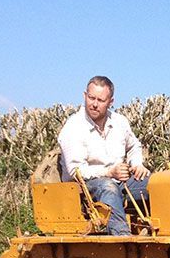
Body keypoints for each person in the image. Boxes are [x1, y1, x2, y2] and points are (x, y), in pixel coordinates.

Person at [58, 76, 150, 235]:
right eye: (91, 98)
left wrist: (136, 163)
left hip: (120, 182)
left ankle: (168, 232)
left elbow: (134, 145)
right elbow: (75, 171)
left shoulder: (119, 122)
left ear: (110, 102)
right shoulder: (73, 127)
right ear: (84, 95)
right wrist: (109, 173)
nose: (94, 104)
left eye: (100, 100)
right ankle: (123, 240)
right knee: (108, 187)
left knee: (156, 184)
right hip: (84, 187)